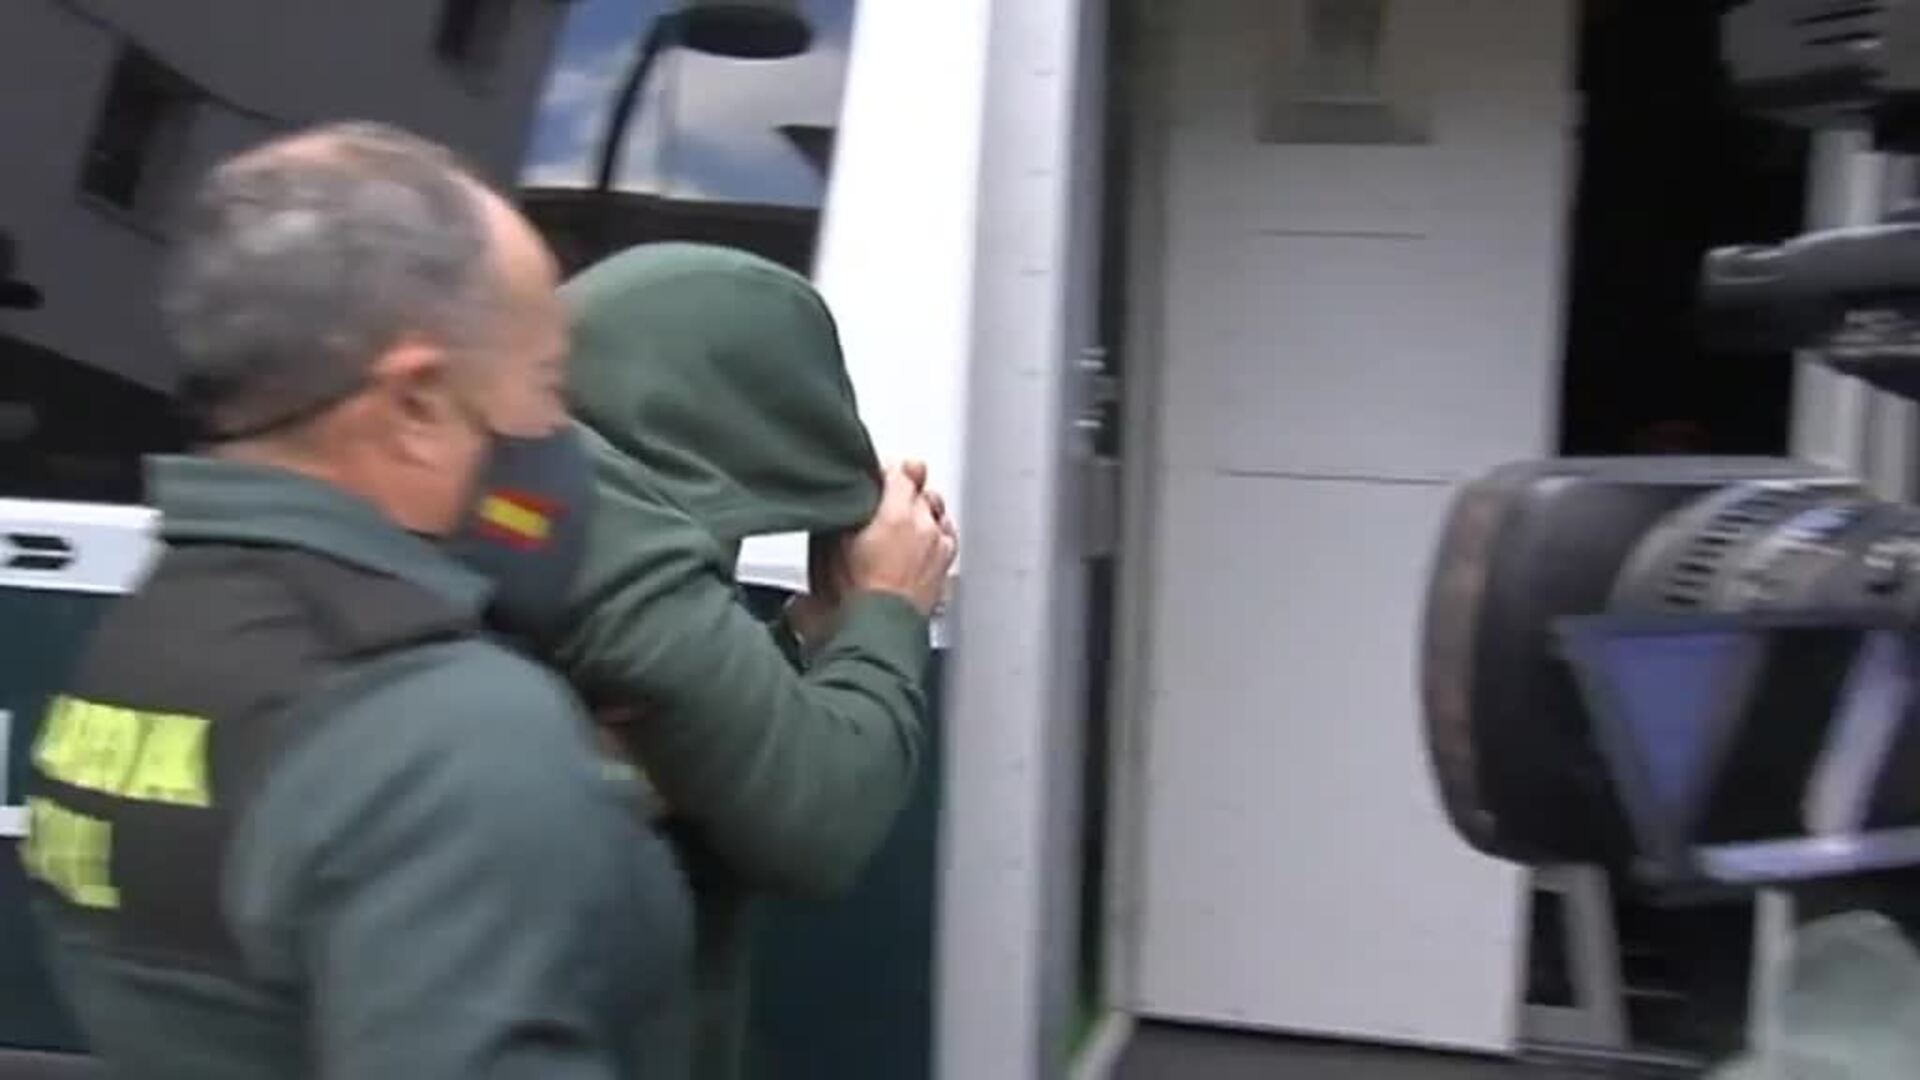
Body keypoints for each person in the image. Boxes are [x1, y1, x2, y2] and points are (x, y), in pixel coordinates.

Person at [19, 123, 692, 1079]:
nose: (557, 433)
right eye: (547, 386)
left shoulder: (151, 631)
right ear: (415, 405)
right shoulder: (456, 736)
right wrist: (535, 786)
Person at [522, 242, 956, 1079]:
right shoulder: (601, 531)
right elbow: (816, 818)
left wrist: (811, 633)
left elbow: (699, 716)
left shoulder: (542, 509)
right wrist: (888, 611)